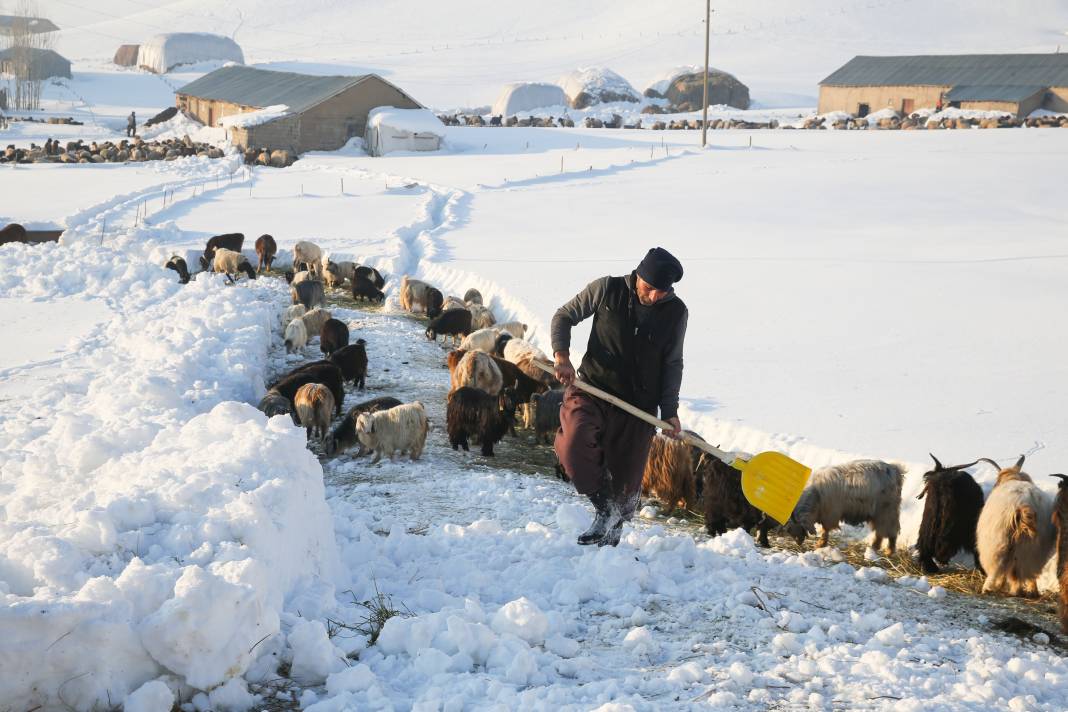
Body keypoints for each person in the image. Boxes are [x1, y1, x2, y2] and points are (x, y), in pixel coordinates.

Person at [551, 247, 688, 547]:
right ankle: (603, 506)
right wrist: (562, 355)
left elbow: (672, 362)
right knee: (573, 446)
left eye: (662, 293)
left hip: (638, 409)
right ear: (638, 275)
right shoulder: (607, 289)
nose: (654, 297)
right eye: (649, 288)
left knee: (626, 490)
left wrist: (670, 411)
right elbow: (564, 316)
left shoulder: (677, 312)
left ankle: (609, 559)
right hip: (592, 391)